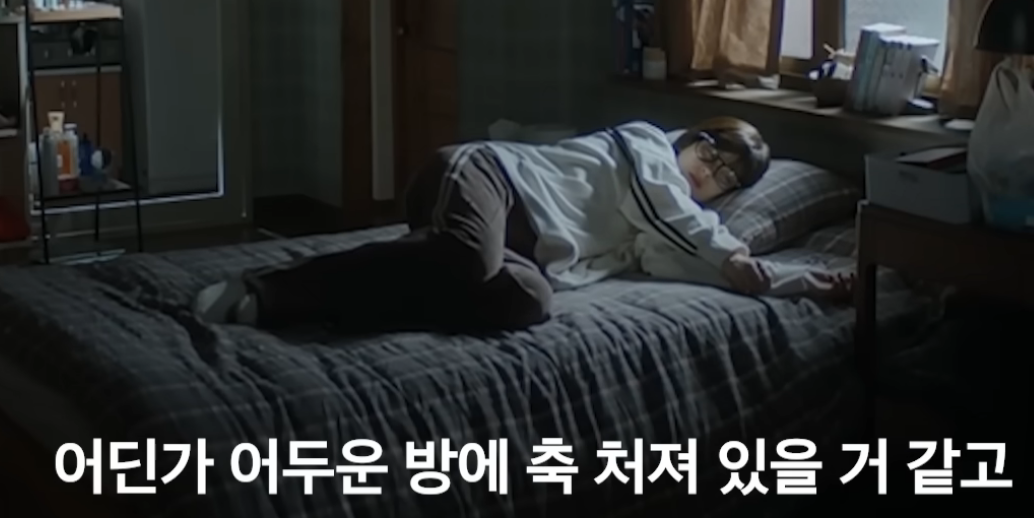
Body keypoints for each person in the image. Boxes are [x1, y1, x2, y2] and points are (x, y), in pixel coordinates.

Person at [194, 116, 855, 335]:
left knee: (528, 299)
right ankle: (269, 286)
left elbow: (680, 259)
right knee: (468, 260)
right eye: (711, 154)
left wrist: (798, 282)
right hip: (484, 177)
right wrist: (734, 255)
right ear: (691, 139)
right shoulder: (647, 146)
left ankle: (336, 306)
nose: (709, 174)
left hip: (515, 249)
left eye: (726, 178)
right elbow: (683, 225)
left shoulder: (674, 227)